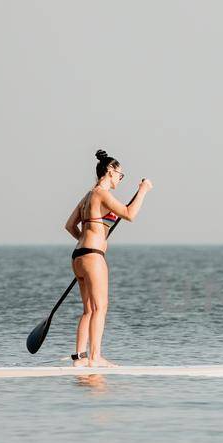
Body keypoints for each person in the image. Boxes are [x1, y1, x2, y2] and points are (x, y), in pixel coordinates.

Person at [63, 149, 152, 367]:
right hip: (93, 257)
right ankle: (94, 358)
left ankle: (79, 358)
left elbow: (69, 226)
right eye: (120, 175)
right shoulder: (102, 194)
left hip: (78, 256)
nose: (120, 180)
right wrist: (143, 190)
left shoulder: (88, 196)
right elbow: (129, 214)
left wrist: (90, 239)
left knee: (89, 310)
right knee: (100, 308)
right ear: (110, 171)